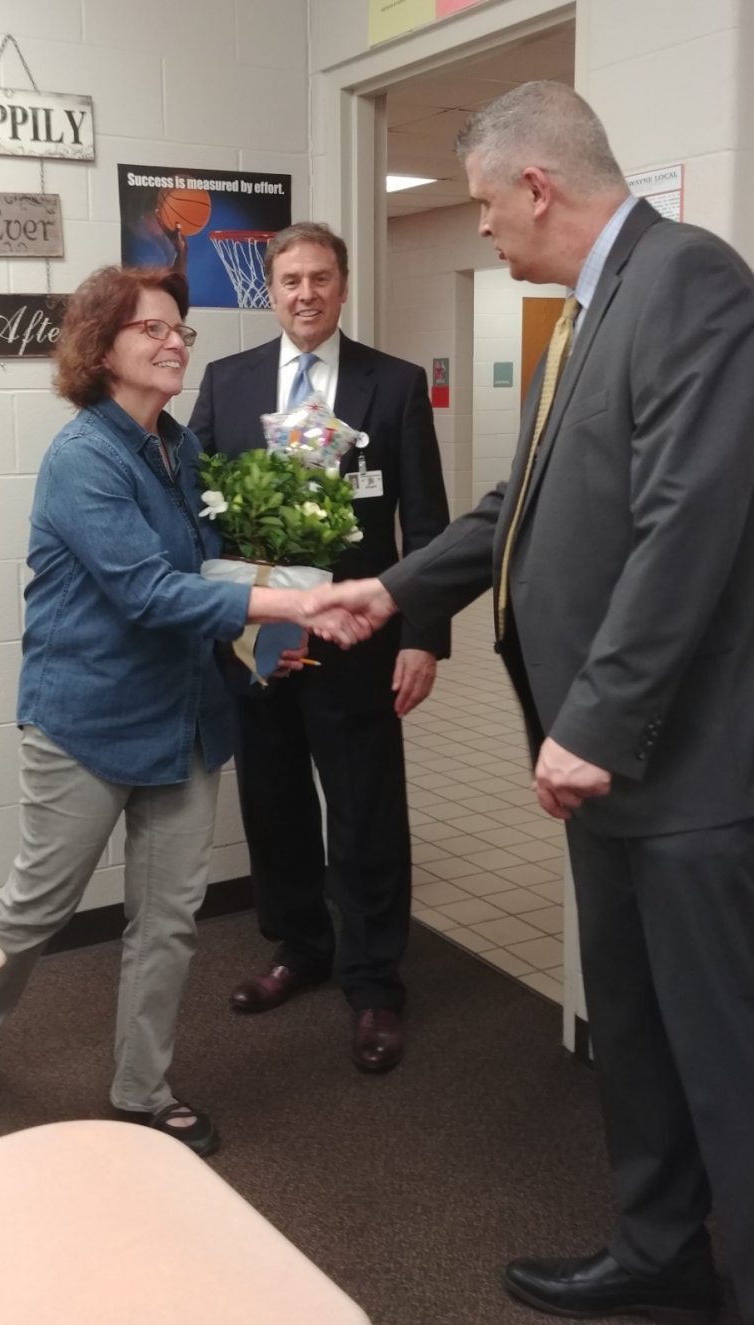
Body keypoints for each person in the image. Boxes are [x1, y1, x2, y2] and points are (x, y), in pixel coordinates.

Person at [312, 81, 754, 1325]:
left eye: (488, 208)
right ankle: (663, 1248)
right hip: (613, 771)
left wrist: (596, 722)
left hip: (681, 767)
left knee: (723, 1053)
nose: (487, 232)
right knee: (635, 1025)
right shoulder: (580, 314)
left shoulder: (688, 283)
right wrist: (385, 593)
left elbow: (689, 528)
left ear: (538, 186)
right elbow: (521, 516)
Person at [0, 264, 362, 1157]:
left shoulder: (176, 448)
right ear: (102, 347)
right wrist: (292, 606)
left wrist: (287, 574)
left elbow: (201, 568)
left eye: (179, 331)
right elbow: (148, 591)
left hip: (185, 718)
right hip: (86, 720)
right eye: (152, 329)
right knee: (40, 903)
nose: (174, 344)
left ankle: (140, 1088)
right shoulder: (82, 456)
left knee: (167, 918)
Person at [189, 222, 450, 1073]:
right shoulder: (226, 384)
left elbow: (430, 526)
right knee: (273, 801)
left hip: (359, 641)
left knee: (366, 809)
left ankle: (374, 981)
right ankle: (299, 945)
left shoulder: (395, 385)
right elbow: (195, 507)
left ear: (344, 286)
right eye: (291, 279)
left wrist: (424, 637)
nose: (306, 293)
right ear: (272, 289)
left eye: (321, 278)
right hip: (260, 640)